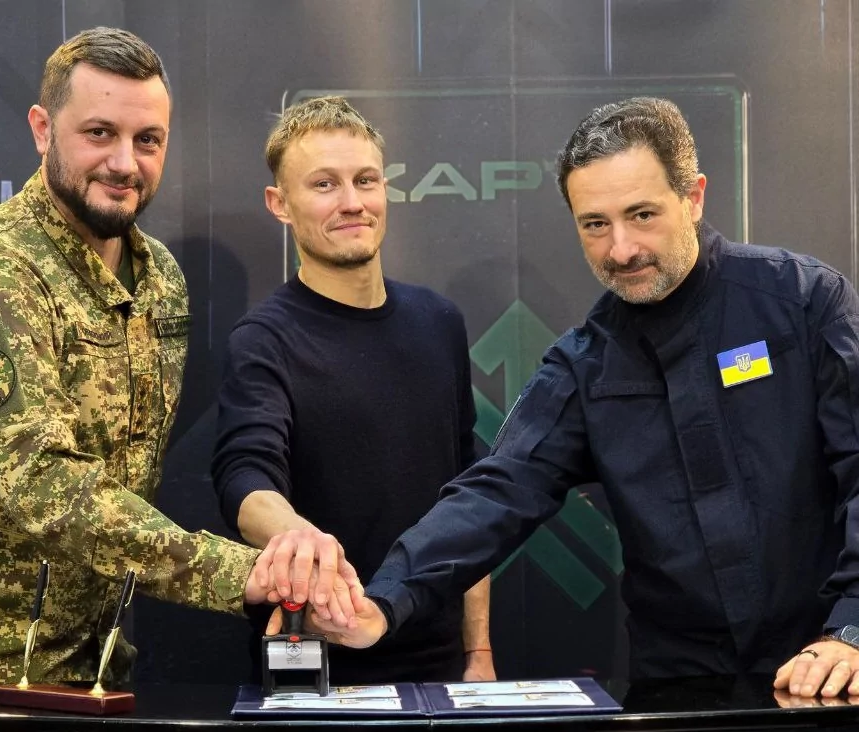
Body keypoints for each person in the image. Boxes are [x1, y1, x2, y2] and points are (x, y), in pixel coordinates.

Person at [301, 96, 859, 699]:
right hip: (676, 682)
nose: (621, 249)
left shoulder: (800, 301)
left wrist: (851, 630)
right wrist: (384, 601)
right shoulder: (584, 361)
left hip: (826, 666)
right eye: (595, 225)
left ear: (694, 198)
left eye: (641, 215)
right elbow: (498, 490)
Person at [0, 28, 357, 697]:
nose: (125, 163)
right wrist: (245, 574)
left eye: (147, 139)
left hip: (98, 671)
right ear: (42, 130)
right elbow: (48, 488)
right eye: (99, 133)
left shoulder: (159, 279)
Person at [211, 96, 495, 684]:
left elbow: (469, 496)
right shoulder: (264, 339)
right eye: (324, 184)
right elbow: (246, 477)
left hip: (438, 666)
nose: (352, 202)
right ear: (280, 204)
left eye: (365, 180)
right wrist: (307, 544)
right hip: (314, 664)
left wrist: (479, 653)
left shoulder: (439, 321)